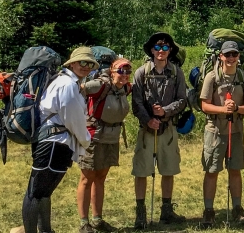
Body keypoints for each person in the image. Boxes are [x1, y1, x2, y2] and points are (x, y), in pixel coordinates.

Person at [23, 47, 96, 233]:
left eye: (89, 63)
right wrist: (86, 140)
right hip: (55, 143)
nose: (86, 67)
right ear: (71, 63)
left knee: (44, 192)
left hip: (55, 142)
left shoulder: (64, 81)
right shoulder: (67, 84)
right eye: (82, 62)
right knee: (36, 193)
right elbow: (73, 119)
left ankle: (46, 230)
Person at [131, 32, 187, 229]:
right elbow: (136, 102)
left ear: (170, 50)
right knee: (141, 171)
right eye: (158, 47)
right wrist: (148, 121)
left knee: (168, 169)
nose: (161, 51)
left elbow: (182, 100)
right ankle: (140, 213)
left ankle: (166, 210)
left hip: (168, 128)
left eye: (165, 47)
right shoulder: (141, 72)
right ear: (152, 50)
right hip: (146, 130)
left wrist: (165, 112)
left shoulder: (176, 72)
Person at [199, 40, 244, 228]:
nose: (231, 58)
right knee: (212, 171)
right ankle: (209, 211)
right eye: (227, 54)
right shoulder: (211, 77)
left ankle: (237, 208)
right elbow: (204, 105)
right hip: (214, 130)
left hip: (236, 130)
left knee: (235, 169)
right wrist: (224, 110)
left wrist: (237, 108)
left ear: (238, 57)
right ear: (220, 56)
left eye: (234, 54)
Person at [77, 57, 133, 233]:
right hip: (94, 137)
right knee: (87, 178)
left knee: (101, 178)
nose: (124, 75)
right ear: (112, 70)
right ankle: (84, 223)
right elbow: (77, 90)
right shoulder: (100, 85)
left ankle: (97, 219)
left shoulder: (124, 88)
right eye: (120, 70)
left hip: (112, 138)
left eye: (127, 71)